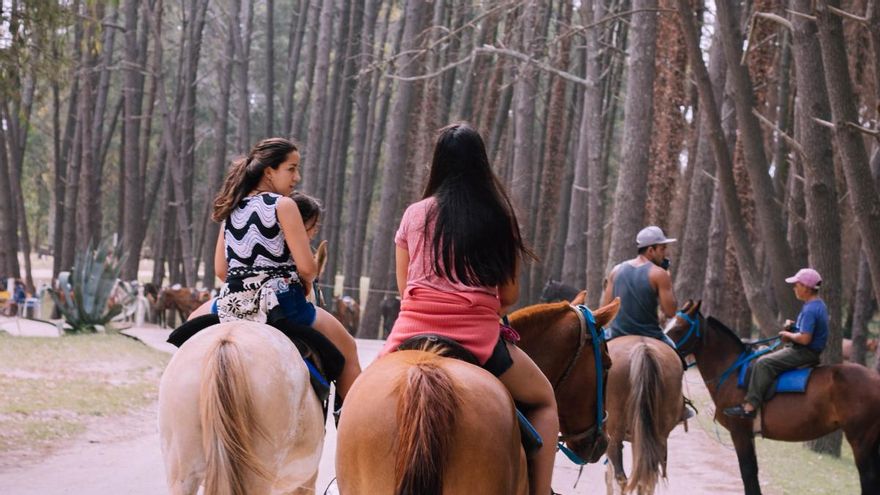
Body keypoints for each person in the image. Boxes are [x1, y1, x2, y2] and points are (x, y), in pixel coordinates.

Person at [381, 123, 558, 495]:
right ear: (482, 163)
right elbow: (509, 295)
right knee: (544, 401)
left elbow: (403, 288)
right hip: (478, 338)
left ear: (438, 164)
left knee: (357, 397)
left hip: (410, 332)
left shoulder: (415, 213)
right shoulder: (498, 217)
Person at [211, 137, 361, 399]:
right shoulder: (283, 205)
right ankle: (347, 419)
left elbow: (222, 271)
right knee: (347, 348)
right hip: (281, 305)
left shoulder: (232, 207)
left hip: (232, 305)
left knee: (193, 326)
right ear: (269, 171)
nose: (297, 177)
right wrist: (305, 274)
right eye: (291, 168)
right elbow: (307, 268)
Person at [724, 268, 828, 419]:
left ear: (806, 287)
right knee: (763, 350)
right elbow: (807, 330)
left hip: (804, 352)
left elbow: (805, 339)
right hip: (805, 350)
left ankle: (750, 406)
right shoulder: (817, 305)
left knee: (762, 363)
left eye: (797, 285)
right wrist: (793, 328)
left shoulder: (810, 310)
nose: (794, 288)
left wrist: (788, 335)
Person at [601, 226, 678, 347]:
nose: (665, 254)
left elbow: (605, 309)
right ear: (651, 250)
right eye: (662, 249)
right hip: (651, 335)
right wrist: (667, 276)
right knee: (676, 355)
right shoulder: (659, 274)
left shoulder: (615, 271)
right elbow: (670, 312)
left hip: (616, 334)